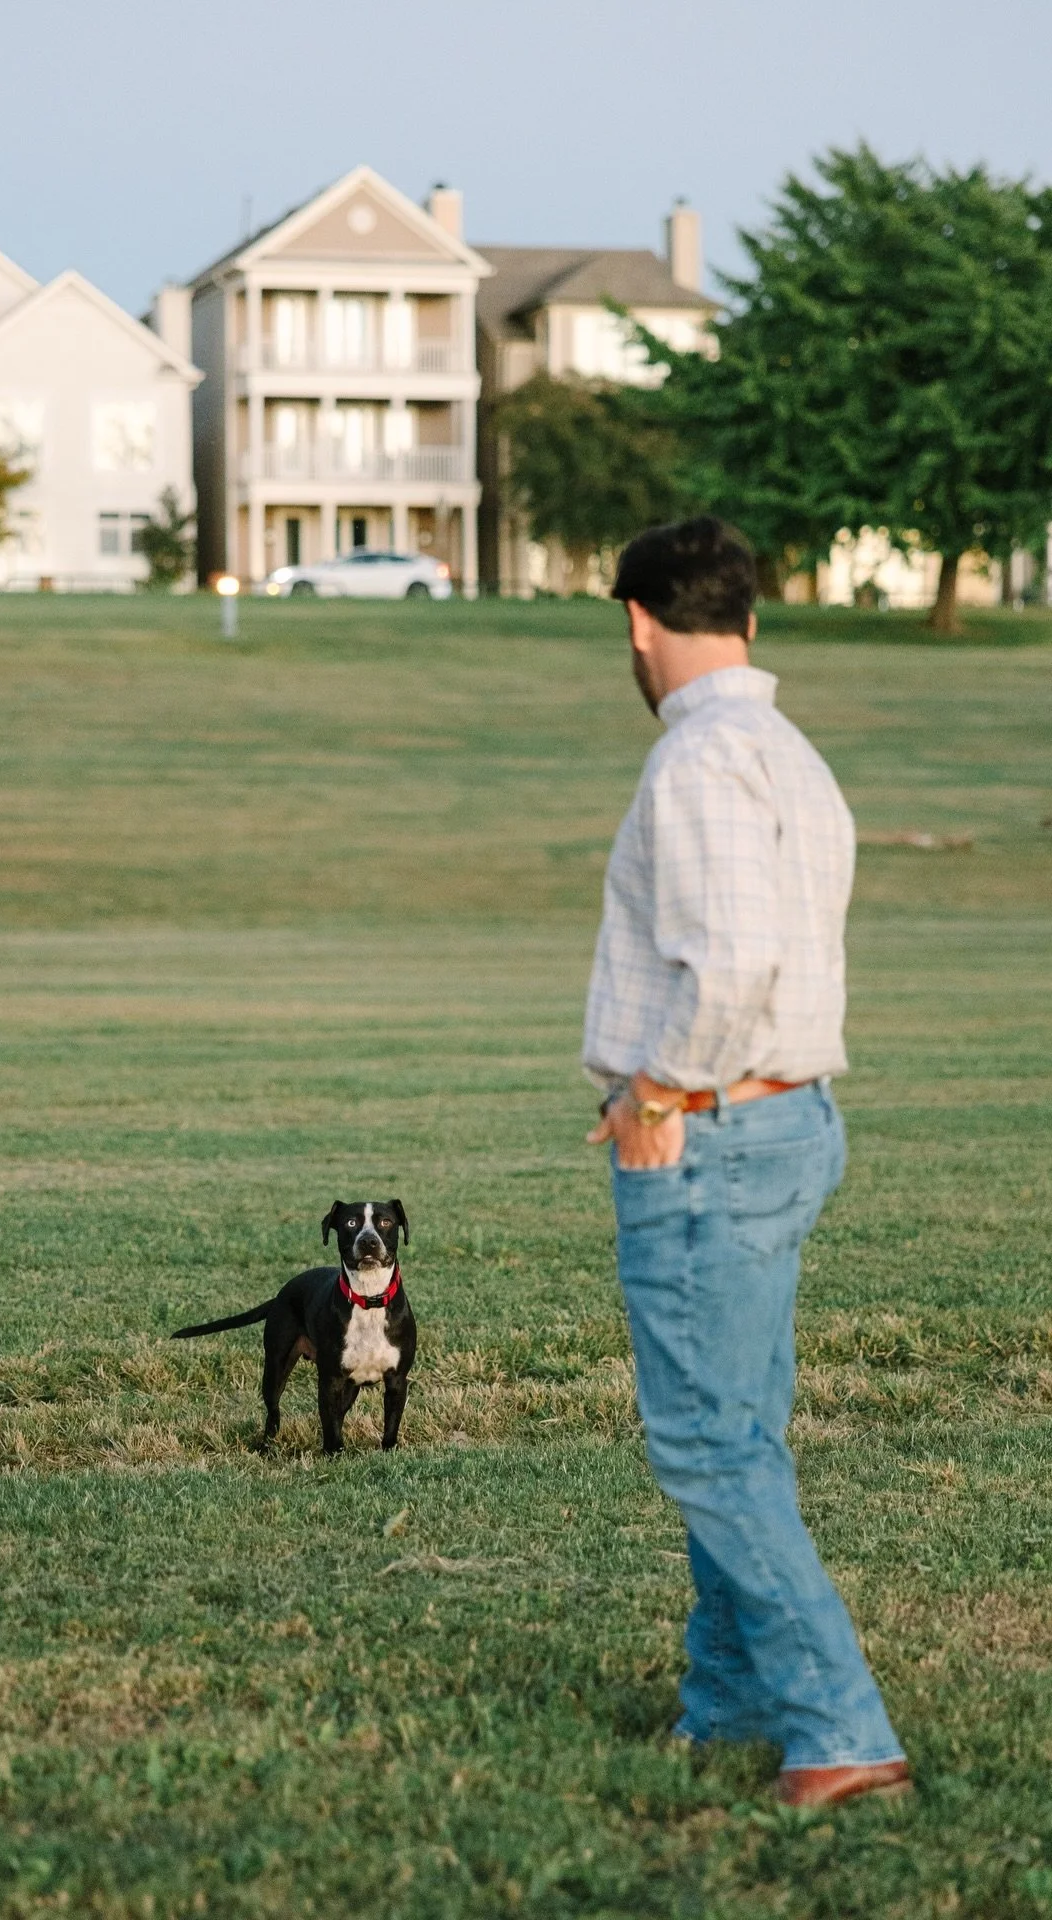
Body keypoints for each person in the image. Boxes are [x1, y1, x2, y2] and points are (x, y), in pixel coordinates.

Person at [583, 517, 908, 1810]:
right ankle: (729, 1703)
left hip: (712, 1132)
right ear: (753, 621)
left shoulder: (701, 762)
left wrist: (660, 1088)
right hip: (784, 1121)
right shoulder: (786, 750)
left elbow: (732, 966)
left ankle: (839, 1729)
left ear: (638, 624)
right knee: (742, 1433)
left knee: (710, 1446)